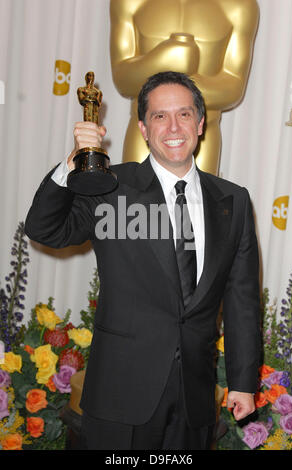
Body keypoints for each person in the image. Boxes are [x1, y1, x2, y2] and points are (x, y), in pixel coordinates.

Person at [25, 71, 261, 450]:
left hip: (195, 401)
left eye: (184, 115)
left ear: (200, 124)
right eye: (159, 116)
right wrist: (72, 165)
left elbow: (242, 300)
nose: (173, 127)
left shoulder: (233, 200)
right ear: (143, 128)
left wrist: (243, 382)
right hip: (120, 397)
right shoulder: (111, 188)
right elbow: (45, 229)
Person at [110, 0, 259, 175]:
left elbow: (233, 87)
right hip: (145, 131)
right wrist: (163, 58)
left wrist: (174, 75)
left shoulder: (239, 6)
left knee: (197, 201)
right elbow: (123, 80)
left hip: (202, 135)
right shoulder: (129, 2)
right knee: (134, 199)